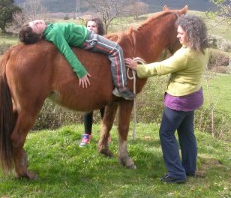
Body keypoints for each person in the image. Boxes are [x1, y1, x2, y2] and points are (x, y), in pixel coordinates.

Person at [125, 15, 209, 184]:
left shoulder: (185, 54)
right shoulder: (204, 50)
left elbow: (162, 67)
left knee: (166, 133)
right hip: (192, 97)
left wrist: (138, 68)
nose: (178, 36)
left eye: (181, 33)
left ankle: (176, 173)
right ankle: (189, 168)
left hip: (179, 99)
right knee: (187, 133)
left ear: (191, 34)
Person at [18, 19, 135, 100]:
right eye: (36, 26)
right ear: (39, 36)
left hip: (86, 34)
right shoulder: (53, 33)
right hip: (88, 39)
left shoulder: (49, 29)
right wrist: (80, 71)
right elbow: (66, 51)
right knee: (116, 49)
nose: (37, 22)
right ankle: (121, 87)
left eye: (34, 22)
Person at [79, 17, 110, 147]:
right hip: (87, 79)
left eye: (93, 26)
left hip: (102, 80)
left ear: (99, 29)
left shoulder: (105, 42)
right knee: (88, 108)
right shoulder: (81, 41)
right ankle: (86, 135)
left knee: (104, 108)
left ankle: (105, 135)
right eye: (89, 26)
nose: (90, 28)